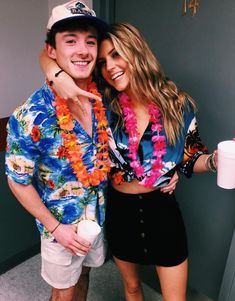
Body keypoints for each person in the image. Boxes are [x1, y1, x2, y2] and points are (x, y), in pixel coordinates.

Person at [39, 22, 216, 301]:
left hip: (162, 211)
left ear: (136, 53)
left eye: (117, 55)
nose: (110, 67)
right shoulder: (102, 102)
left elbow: (189, 158)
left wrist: (216, 161)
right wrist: (54, 73)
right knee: (132, 289)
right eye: (103, 61)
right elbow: (47, 53)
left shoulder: (177, 104)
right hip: (120, 212)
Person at [5, 1, 111, 301]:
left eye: (90, 41)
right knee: (63, 293)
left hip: (95, 216)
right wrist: (56, 228)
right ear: (52, 50)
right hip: (59, 226)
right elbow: (17, 181)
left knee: (84, 278)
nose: (82, 50)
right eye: (70, 40)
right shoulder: (31, 115)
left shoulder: (100, 95)